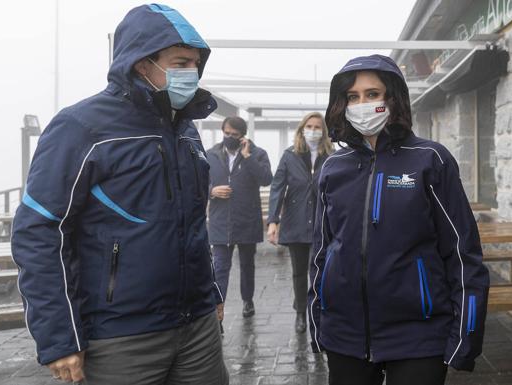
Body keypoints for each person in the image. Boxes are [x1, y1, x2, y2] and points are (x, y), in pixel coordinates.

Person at [11, 4, 228, 384]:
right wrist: (60, 336)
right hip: (120, 337)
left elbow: (192, 221)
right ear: (143, 64)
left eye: (195, 63)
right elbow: (39, 231)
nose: (190, 73)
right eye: (179, 63)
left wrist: (210, 291)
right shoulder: (80, 127)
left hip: (197, 329)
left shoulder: (186, 130)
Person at [308, 54, 490, 385]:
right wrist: (317, 322)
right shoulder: (333, 167)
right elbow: (321, 252)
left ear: (393, 97)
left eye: (372, 94)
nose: (362, 103)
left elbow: (463, 254)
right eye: (353, 96)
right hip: (345, 335)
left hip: (418, 336)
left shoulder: (430, 160)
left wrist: (465, 338)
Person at [266, 112, 333, 333]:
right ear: (302, 129)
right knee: (298, 271)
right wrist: (273, 221)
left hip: (322, 222)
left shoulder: (331, 155)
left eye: (317, 127)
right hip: (295, 220)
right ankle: (300, 313)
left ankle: (319, 309)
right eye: (309, 126)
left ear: (323, 131)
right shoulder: (289, 155)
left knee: (320, 269)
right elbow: (277, 187)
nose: (313, 130)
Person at [207, 117, 273, 319]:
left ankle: (248, 300)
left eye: (234, 135)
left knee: (247, 265)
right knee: (220, 268)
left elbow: (266, 179)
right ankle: (219, 308)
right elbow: (196, 182)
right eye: (226, 133)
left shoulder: (258, 154)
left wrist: (247, 157)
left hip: (247, 221)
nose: (229, 137)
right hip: (220, 222)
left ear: (242, 136)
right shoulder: (210, 155)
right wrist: (212, 191)